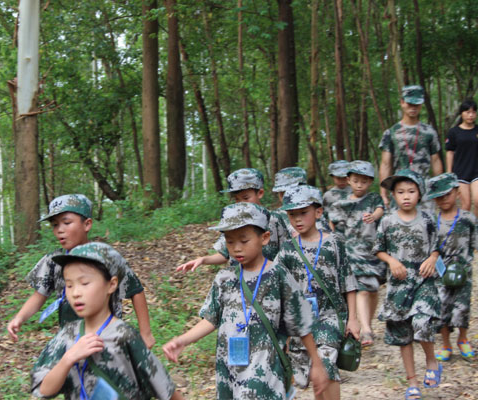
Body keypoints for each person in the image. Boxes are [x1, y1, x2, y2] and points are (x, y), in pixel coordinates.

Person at [164, 202, 328, 399]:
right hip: (229, 370)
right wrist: (182, 340)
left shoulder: (278, 276)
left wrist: (317, 364)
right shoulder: (225, 278)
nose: (236, 248)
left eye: (244, 240)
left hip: (264, 370)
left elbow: (302, 324)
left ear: (264, 238)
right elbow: (211, 319)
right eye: (230, 241)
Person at [31, 242, 183, 400]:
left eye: (84, 283)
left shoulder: (124, 335)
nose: (75, 293)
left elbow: (165, 388)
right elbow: (44, 390)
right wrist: (68, 358)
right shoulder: (66, 335)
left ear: (111, 285)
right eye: (69, 285)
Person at [7, 194, 155, 349]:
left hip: (108, 340)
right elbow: (39, 295)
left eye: (67, 223)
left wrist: (145, 333)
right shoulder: (53, 261)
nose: (60, 230)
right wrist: (19, 318)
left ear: (87, 224)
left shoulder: (107, 257)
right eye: (55, 225)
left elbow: (135, 291)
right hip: (71, 342)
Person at [275, 185, 359, 400]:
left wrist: (353, 319)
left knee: (326, 364)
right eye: (292, 214)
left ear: (318, 212)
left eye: (303, 212)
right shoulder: (287, 250)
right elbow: (278, 286)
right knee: (314, 374)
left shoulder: (334, 243)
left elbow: (348, 281)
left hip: (330, 317)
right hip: (301, 322)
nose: (298, 219)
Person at [373, 169, 442, 400]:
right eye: (400, 192)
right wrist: (392, 261)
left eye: (411, 191)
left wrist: (432, 258)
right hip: (398, 286)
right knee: (404, 336)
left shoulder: (427, 219)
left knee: (422, 321)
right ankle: (412, 382)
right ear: (393, 195)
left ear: (419, 194)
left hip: (423, 281)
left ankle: (431, 360)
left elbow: (437, 247)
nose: (406, 196)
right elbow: (378, 249)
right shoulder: (387, 221)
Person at [177, 168, 288, 272]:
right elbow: (224, 254)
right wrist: (203, 260)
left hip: (269, 278)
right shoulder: (233, 221)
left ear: (260, 193)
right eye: (237, 199)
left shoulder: (275, 219)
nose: (241, 203)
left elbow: (286, 252)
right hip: (239, 279)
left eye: (246, 198)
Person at [328, 161, 385, 346]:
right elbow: (333, 222)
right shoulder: (342, 203)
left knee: (373, 289)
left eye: (364, 181)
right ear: (349, 180)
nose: (360, 185)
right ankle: (366, 329)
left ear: (370, 182)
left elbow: (381, 209)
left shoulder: (373, 199)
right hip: (352, 252)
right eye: (356, 181)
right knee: (362, 289)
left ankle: (368, 323)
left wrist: (374, 216)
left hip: (373, 252)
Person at [426, 173, 476, 361]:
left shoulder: (468, 218)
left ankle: (463, 339)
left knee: (462, 307)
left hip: (463, 272)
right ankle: (446, 344)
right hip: (441, 273)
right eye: (439, 196)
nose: (444, 199)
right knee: (441, 309)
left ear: (456, 192)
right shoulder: (432, 221)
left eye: (447, 194)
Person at [379, 85, 443, 209]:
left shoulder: (429, 132)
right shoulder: (391, 133)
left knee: (426, 219)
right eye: (410, 104)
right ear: (402, 102)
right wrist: (383, 193)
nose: (413, 108)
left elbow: (435, 161)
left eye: (416, 104)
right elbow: (385, 164)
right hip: (400, 187)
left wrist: (439, 188)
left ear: (421, 104)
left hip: (424, 187)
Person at [272, 167, 331, 235]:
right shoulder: (276, 216)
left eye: (288, 192)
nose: (285, 196)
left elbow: (325, 236)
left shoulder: (312, 210)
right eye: (281, 192)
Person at [445, 99, 478, 217]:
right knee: (466, 204)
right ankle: (464, 226)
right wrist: (449, 172)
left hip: (476, 171)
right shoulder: (454, 132)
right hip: (460, 172)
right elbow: (450, 152)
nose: (471, 115)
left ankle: (475, 226)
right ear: (461, 113)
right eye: (467, 112)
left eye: (473, 112)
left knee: (477, 200)